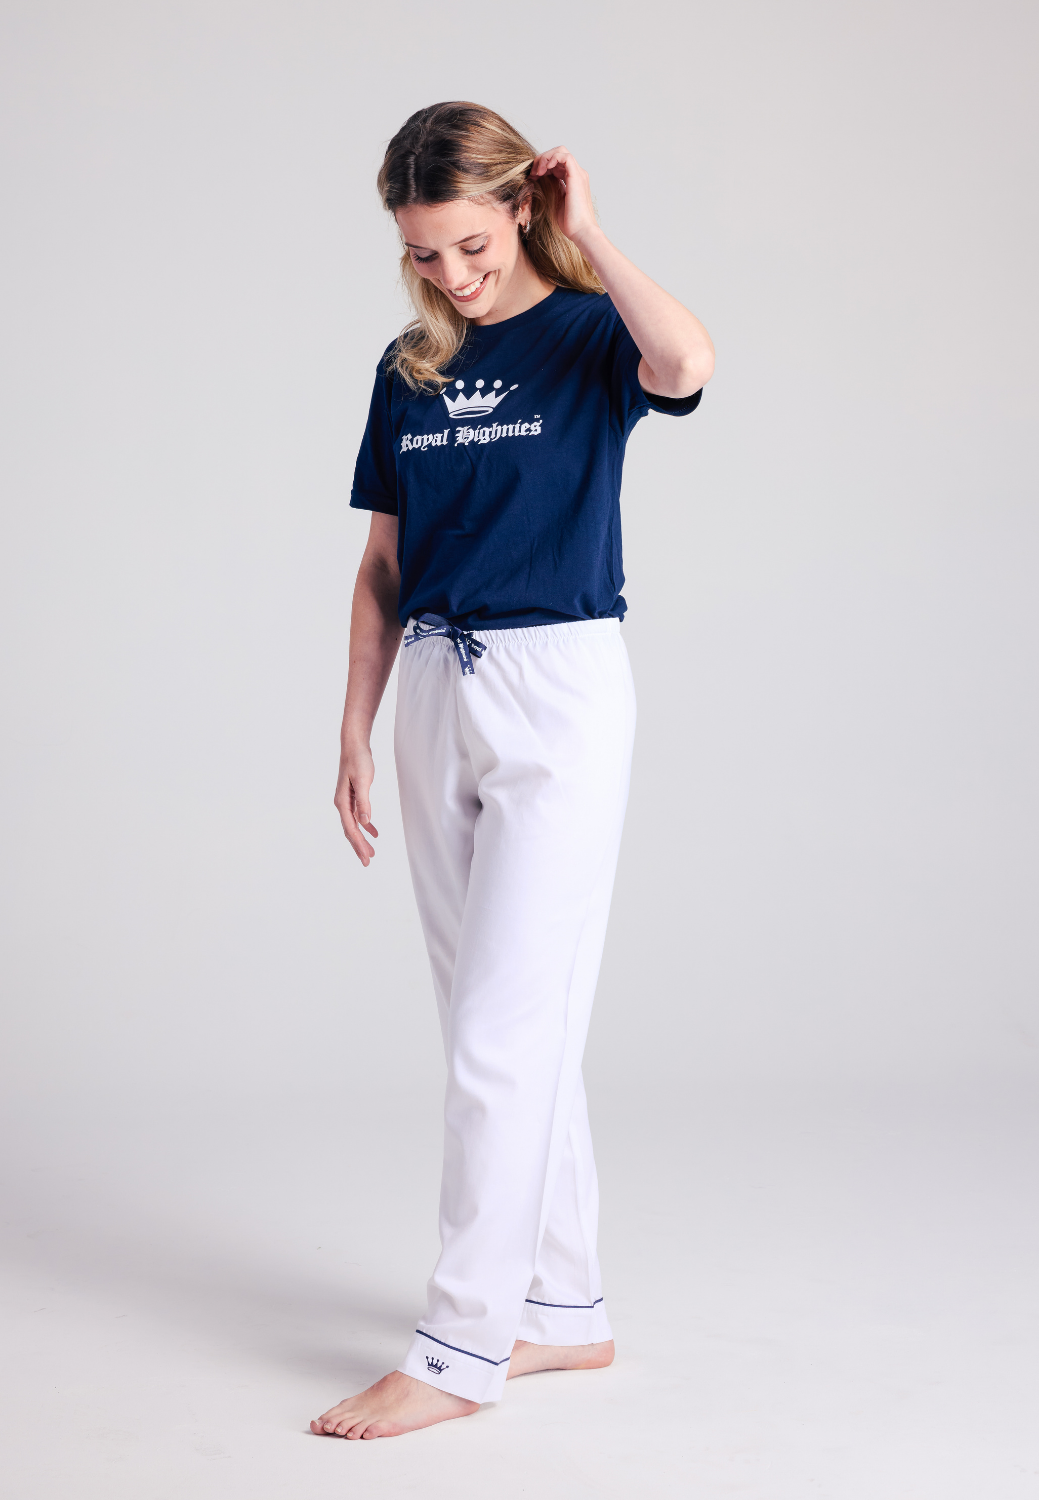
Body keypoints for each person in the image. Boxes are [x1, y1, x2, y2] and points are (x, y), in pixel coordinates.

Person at [313, 101, 714, 1441]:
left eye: (471, 246)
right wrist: (357, 724)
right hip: (435, 682)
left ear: (523, 211)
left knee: (502, 1030)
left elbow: (689, 359)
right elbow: (382, 564)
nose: (452, 275)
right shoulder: (407, 368)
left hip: (558, 689)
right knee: (497, 1023)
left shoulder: (592, 336)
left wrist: (590, 231)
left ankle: (458, 1347)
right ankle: (561, 1306)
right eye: (423, 254)